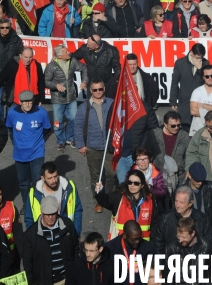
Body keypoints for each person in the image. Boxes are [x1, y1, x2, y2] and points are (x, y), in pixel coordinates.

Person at [74, 79, 114, 213]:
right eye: (95, 90)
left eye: (100, 89)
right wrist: (80, 145)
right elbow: (78, 127)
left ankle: (108, 198)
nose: (98, 92)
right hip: (92, 148)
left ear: (104, 89)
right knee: (96, 177)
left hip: (109, 147)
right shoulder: (83, 107)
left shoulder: (112, 103)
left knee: (111, 174)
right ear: (90, 91)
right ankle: (98, 201)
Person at [6, 91, 51, 207]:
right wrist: (17, 142)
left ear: (33, 101)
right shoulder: (12, 113)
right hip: (20, 153)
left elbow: (47, 128)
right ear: (19, 102)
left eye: (30, 101)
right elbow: (10, 129)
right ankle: (27, 204)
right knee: (24, 182)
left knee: (37, 180)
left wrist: (37, 140)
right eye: (24, 102)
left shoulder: (41, 112)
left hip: (37, 152)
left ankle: (37, 203)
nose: (27, 104)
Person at [23, 195, 79, 285]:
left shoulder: (68, 225)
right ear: (41, 212)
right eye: (47, 214)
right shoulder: (30, 235)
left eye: (53, 213)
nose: (50, 217)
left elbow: (76, 249)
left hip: (67, 279)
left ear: (57, 211)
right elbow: (28, 263)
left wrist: (76, 271)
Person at [95, 168, 158, 239]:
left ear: (142, 185)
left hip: (143, 244)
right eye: (130, 182)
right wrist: (99, 192)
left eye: (136, 183)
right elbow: (104, 201)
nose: (132, 185)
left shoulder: (150, 199)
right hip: (121, 244)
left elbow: (154, 222)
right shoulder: (118, 197)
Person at [24, 161, 83, 236]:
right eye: (50, 178)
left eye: (55, 176)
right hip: (43, 237)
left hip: (66, 234)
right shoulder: (33, 193)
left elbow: (77, 209)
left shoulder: (69, 187)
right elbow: (29, 218)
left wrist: (75, 232)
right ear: (43, 178)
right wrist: (34, 238)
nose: (54, 181)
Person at [152, 185, 212, 253]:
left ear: (190, 203)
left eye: (181, 202)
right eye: (176, 201)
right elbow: (158, 244)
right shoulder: (165, 219)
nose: (177, 205)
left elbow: (209, 244)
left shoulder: (202, 219)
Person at [0, 17, 24, 121]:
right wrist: (2, 73)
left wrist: (10, 71)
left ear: (10, 27)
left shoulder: (17, 40)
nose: (5, 29)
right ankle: (2, 122)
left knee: (11, 101)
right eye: (2, 27)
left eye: (7, 27)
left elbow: (21, 56)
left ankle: (10, 122)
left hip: (12, 77)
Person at [169, 43, 209, 131]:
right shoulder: (180, 63)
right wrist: (173, 101)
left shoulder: (205, 63)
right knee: (184, 127)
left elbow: (208, 81)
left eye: (201, 58)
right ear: (191, 53)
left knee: (200, 127)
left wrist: (200, 70)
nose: (199, 60)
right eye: (197, 58)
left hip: (200, 101)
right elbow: (175, 82)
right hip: (185, 100)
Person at [106, 220, 155, 285]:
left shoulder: (148, 248)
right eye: (134, 240)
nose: (137, 241)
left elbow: (155, 271)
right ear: (125, 236)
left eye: (139, 238)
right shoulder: (110, 248)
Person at [189, 65, 212, 136]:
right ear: (203, 77)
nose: (210, 78)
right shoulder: (196, 91)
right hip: (199, 129)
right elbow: (193, 111)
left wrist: (203, 106)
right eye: (207, 76)